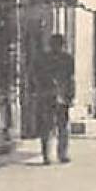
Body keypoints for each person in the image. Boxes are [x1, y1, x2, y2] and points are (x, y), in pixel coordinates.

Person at [34, 33, 75, 165]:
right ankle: (54, 155)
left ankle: (55, 154)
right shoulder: (62, 58)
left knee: (55, 126)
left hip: (56, 95)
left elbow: (70, 78)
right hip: (51, 95)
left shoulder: (63, 58)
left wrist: (70, 95)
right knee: (52, 126)